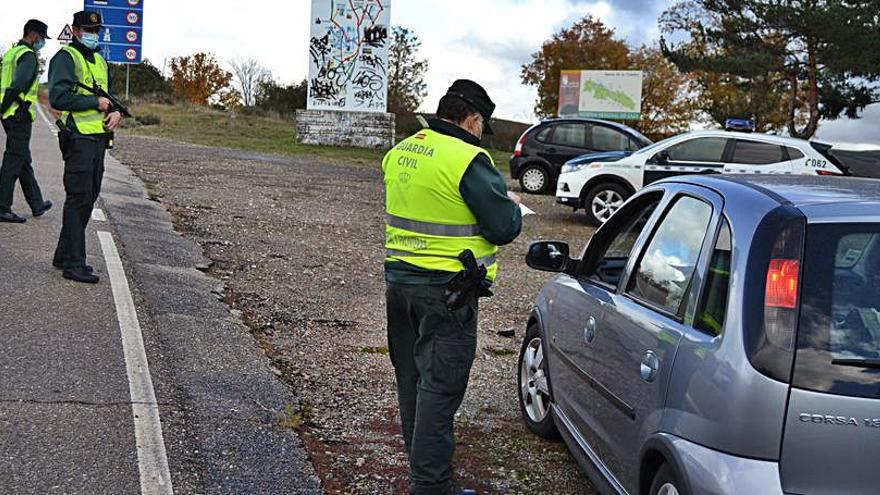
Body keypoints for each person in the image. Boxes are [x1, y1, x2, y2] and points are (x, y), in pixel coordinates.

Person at [383, 80, 523, 495]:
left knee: (412, 382)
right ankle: (430, 488)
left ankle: (424, 477)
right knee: (439, 393)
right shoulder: (467, 158)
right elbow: (502, 227)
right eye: (482, 125)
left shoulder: (402, 151)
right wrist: (511, 207)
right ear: (474, 119)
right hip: (448, 293)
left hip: (400, 285)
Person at [48, 11, 123, 284]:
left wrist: (116, 113)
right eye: (88, 29)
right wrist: (95, 103)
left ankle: (63, 253)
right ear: (76, 31)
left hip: (98, 139)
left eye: (96, 29)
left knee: (89, 197)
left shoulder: (101, 61)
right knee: (78, 197)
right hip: (78, 137)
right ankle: (74, 264)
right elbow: (58, 97)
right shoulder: (66, 58)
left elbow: (110, 98)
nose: (94, 34)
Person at [0, 19, 53, 223]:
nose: (42, 42)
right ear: (34, 35)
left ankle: (36, 203)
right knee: (13, 161)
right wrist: (3, 108)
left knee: (23, 160)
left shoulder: (11, 52)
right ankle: (3, 207)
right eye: (41, 38)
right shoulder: (28, 56)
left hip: (10, 114)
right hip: (18, 114)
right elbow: (16, 86)